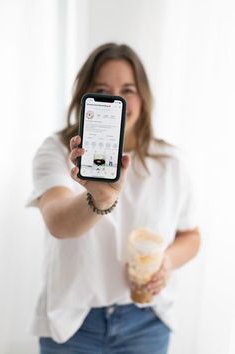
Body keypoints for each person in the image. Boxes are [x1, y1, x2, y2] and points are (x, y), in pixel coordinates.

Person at [28, 43, 200, 354]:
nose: (115, 98)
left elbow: (191, 235)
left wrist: (167, 261)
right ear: (85, 95)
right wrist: (101, 199)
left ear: (144, 97)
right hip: (73, 325)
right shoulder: (57, 151)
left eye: (128, 89)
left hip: (145, 321)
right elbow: (58, 222)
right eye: (102, 88)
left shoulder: (171, 162)